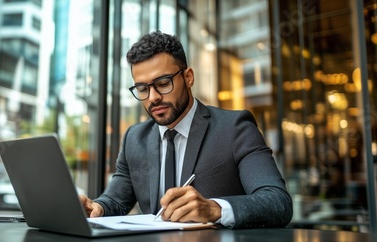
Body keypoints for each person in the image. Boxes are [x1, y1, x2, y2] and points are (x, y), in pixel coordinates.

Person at [80, 30, 292, 229]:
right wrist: (97, 208)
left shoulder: (235, 128)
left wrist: (214, 209)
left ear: (188, 77)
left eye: (163, 83)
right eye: (143, 89)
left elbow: (277, 202)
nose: (153, 97)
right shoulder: (134, 139)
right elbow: (115, 201)